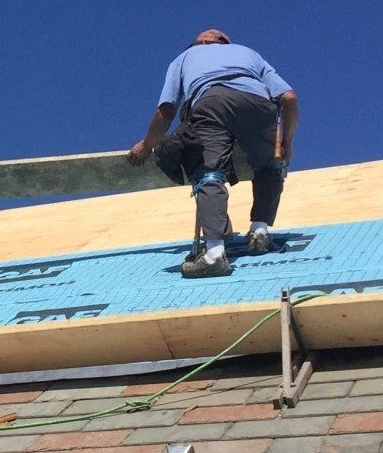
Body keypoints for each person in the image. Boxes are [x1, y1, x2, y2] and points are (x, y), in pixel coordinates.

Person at [127, 30, 297, 277]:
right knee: (270, 165)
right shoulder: (249, 53)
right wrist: (286, 142)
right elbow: (289, 97)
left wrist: (145, 145)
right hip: (258, 104)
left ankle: (215, 254)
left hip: (211, 102)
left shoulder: (185, 57)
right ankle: (260, 232)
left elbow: (167, 109)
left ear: (202, 43)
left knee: (209, 172)